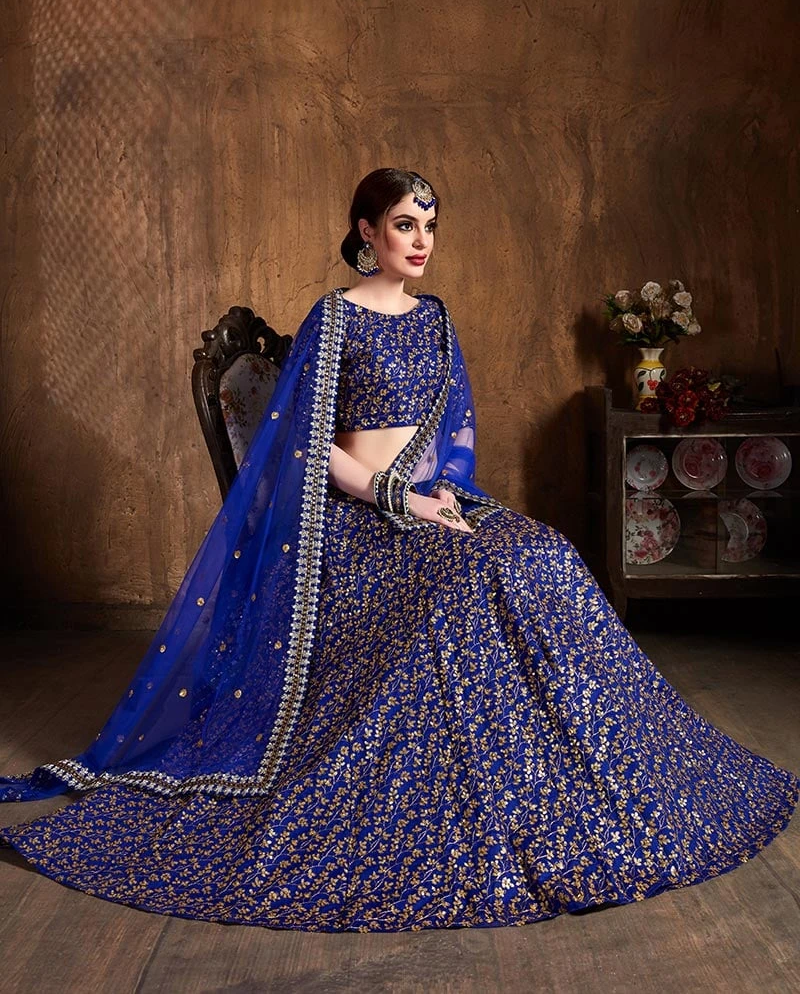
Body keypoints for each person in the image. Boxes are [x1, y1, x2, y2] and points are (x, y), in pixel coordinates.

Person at [0, 168, 797, 933]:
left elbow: (457, 430)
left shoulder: (436, 316)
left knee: (544, 554)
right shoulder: (334, 319)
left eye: (430, 227)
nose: (421, 241)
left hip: (434, 503)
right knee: (473, 578)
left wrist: (444, 492)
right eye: (405, 225)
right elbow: (310, 449)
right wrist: (398, 499)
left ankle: (576, 763)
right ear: (366, 232)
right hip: (354, 525)